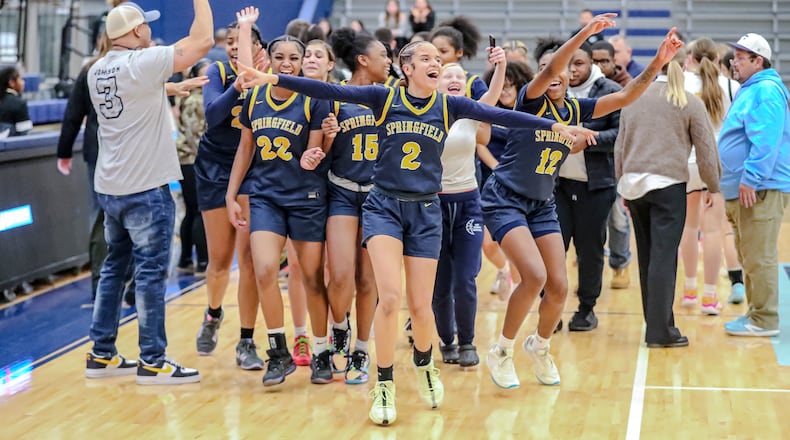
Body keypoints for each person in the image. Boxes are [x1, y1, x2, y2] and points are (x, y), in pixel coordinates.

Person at [237, 40, 594, 426]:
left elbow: (504, 116)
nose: (435, 63)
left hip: (425, 209)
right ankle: (384, 384)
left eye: (438, 59)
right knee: (390, 298)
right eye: (425, 58)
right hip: (384, 206)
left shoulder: (449, 105)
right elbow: (329, 89)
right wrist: (270, 77)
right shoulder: (384, 97)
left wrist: (553, 124)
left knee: (420, 307)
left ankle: (425, 364)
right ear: (406, 67)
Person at [483, 18, 684, 389]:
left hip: (542, 203)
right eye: (548, 68)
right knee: (535, 276)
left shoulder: (576, 109)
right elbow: (557, 63)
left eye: (561, 70)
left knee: (559, 286)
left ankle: (539, 346)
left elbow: (624, 98)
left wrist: (658, 62)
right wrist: (583, 36)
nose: (555, 73)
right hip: (505, 199)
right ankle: (501, 349)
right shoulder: (531, 99)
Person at [84, 0, 213, 384]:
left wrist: (172, 86)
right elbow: (203, 40)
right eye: (146, 27)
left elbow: (131, 94)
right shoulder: (144, 61)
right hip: (145, 188)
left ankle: (101, 353)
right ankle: (153, 360)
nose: (150, 32)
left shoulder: (97, 70)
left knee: (113, 269)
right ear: (137, 31)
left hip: (112, 188)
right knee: (151, 273)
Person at [226, 35, 333, 387]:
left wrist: (309, 156)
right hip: (266, 197)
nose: (286, 63)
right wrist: (231, 195)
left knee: (312, 278)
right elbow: (244, 150)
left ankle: (320, 351)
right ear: (268, 58)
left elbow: (315, 151)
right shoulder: (255, 97)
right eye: (279, 56)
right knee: (265, 269)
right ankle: (278, 352)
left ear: (302, 62)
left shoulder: (313, 97)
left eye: (293, 58)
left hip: (306, 197)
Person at [615, 48, 720, 348]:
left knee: (647, 257)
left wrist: (621, 183)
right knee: (663, 259)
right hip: (669, 187)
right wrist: (712, 185)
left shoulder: (632, 98)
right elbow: (706, 151)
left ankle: (657, 323)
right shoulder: (689, 102)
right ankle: (660, 331)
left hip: (634, 186)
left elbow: (620, 148)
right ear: (685, 65)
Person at [193, 8, 268, 372]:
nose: (236, 50)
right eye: (231, 44)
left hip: (253, 168)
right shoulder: (217, 72)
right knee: (220, 261)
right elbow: (213, 115)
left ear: (258, 49)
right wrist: (237, 86)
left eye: (244, 43)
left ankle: (246, 340)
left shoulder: (268, 77)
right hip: (214, 167)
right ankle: (212, 313)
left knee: (250, 261)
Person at [318, 28, 390, 384]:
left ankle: (362, 348)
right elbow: (321, 155)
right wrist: (328, 137)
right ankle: (339, 328)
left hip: (378, 196)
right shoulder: (335, 97)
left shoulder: (392, 98)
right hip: (343, 191)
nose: (389, 61)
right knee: (342, 273)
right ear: (364, 60)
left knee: (367, 279)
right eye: (383, 56)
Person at [432, 46, 507, 368]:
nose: (452, 79)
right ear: (434, 82)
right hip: (431, 205)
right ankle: (446, 340)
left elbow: (493, 94)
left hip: (467, 204)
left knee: (465, 278)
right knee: (440, 283)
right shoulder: (423, 112)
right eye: (446, 75)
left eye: (458, 76)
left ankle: (467, 342)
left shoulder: (473, 112)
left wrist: (500, 66)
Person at [720, 33, 790, 337]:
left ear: (757, 60)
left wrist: (751, 178)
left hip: (759, 188)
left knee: (759, 255)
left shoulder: (765, 91)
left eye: (739, 57)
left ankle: (765, 319)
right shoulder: (751, 90)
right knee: (748, 252)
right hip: (747, 187)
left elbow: (766, 140)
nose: (734, 62)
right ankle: (755, 314)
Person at [557, 40, 623, 331]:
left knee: (590, 250)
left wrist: (588, 141)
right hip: (556, 186)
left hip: (596, 187)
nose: (572, 69)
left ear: (591, 64)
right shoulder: (556, 91)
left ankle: (586, 308)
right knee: (553, 249)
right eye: (568, 63)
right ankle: (551, 309)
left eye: (579, 63)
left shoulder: (609, 91)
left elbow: (620, 134)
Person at [678, 37, 741, 315]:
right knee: (714, 230)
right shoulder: (732, 86)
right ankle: (710, 297)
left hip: (687, 161)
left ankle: (689, 290)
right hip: (717, 163)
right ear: (718, 59)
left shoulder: (680, 84)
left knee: (689, 228)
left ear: (689, 59)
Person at [590, 39, 633, 287]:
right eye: (594, 61)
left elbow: (622, 134)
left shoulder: (623, 88)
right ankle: (590, 273)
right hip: (583, 168)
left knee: (617, 218)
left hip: (613, 166)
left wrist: (589, 139)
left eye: (604, 61)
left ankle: (620, 264)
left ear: (613, 62)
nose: (598, 65)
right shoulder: (578, 88)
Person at [175, 59, 211, 278]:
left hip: (189, 159)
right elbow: (193, 135)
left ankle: (186, 259)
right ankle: (202, 261)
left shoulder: (201, 97)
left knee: (191, 209)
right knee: (198, 209)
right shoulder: (195, 100)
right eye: (204, 75)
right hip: (191, 160)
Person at [0, 66, 32, 137]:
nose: (23, 83)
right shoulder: (19, 103)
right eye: (20, 79)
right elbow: (25, 133)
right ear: (12, 83)